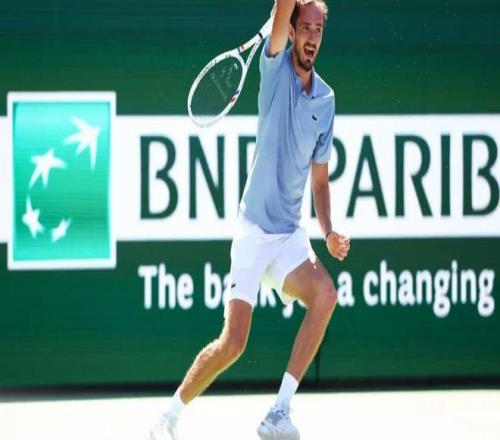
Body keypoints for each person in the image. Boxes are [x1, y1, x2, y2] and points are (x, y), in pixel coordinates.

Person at [149, 0, 350, 438]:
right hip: (253, 231)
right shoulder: (273, 68)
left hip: (290, 236)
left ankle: (279, 412)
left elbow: (319, 182)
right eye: (305, 27)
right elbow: (283, 6)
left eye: (318, 29)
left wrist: (329, 230)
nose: (312, 37)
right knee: (233, 343)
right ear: (290, 31)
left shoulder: (326, 100)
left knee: (325, 296)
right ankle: (168, 417)